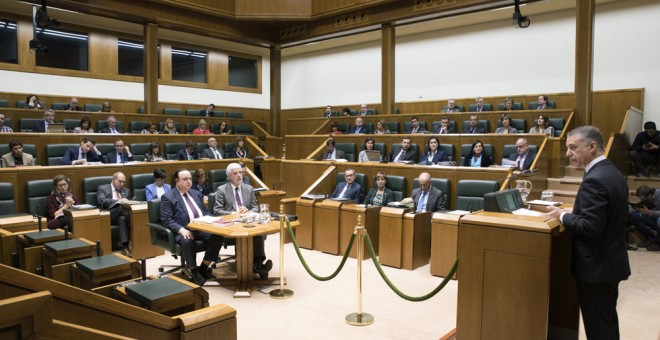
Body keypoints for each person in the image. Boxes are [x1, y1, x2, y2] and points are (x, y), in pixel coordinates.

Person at [546, 126, 630, 340]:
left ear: (592, 146)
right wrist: (575, 212)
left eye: (573, 148)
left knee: (599, 328)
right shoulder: (611, 172)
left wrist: (562, 216)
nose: (568, 154)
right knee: (606, 321)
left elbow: (592, 226)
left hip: (597, 266)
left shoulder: (595, 178)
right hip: (610, 262)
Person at [161, 169, 223, 285]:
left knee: (218, 236)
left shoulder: (196, 193)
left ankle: (203, 268)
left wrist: (214, 221)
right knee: (187, 241)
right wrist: (181, 229)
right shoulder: (168, 197)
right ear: (177, 181)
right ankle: (194, 272)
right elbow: (166, 220)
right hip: (183, 230)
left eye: (190, 179)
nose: (189, 182)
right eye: (185, 179)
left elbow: (205, 212)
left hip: (201, 228)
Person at [213, 163, 272, 278]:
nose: (239, 175)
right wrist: (234, 213)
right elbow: (217, 211)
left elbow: (256, 207)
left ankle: (258, 263)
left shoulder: (248, 188)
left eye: (241, 172)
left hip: (247, 221)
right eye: (235, 173)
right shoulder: (222, 190)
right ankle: (257, 267)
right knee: (246, 234)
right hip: (231, 225)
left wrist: (248, 210)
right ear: (229, 176)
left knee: (258, 233)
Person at [97, 172, 132, 257]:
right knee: (122, 208)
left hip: (122, 216)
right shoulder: (102, 188)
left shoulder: (126, 191)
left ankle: (125, 247)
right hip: (108, 215)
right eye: (120, 181)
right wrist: (118, 201)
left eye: (123, 182)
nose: (122, 184)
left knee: (122, 219)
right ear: (113, 179)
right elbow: (101, 201)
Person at [628, 185, 660, 251]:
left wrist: (651, 212)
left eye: (643, 200)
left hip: (658, 218)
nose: (642, 201)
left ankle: (658, 243)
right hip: (653, 218)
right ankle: (651, 239)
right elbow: (639, 206)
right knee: (634, 217)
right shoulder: (647, 197)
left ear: (650, 195)